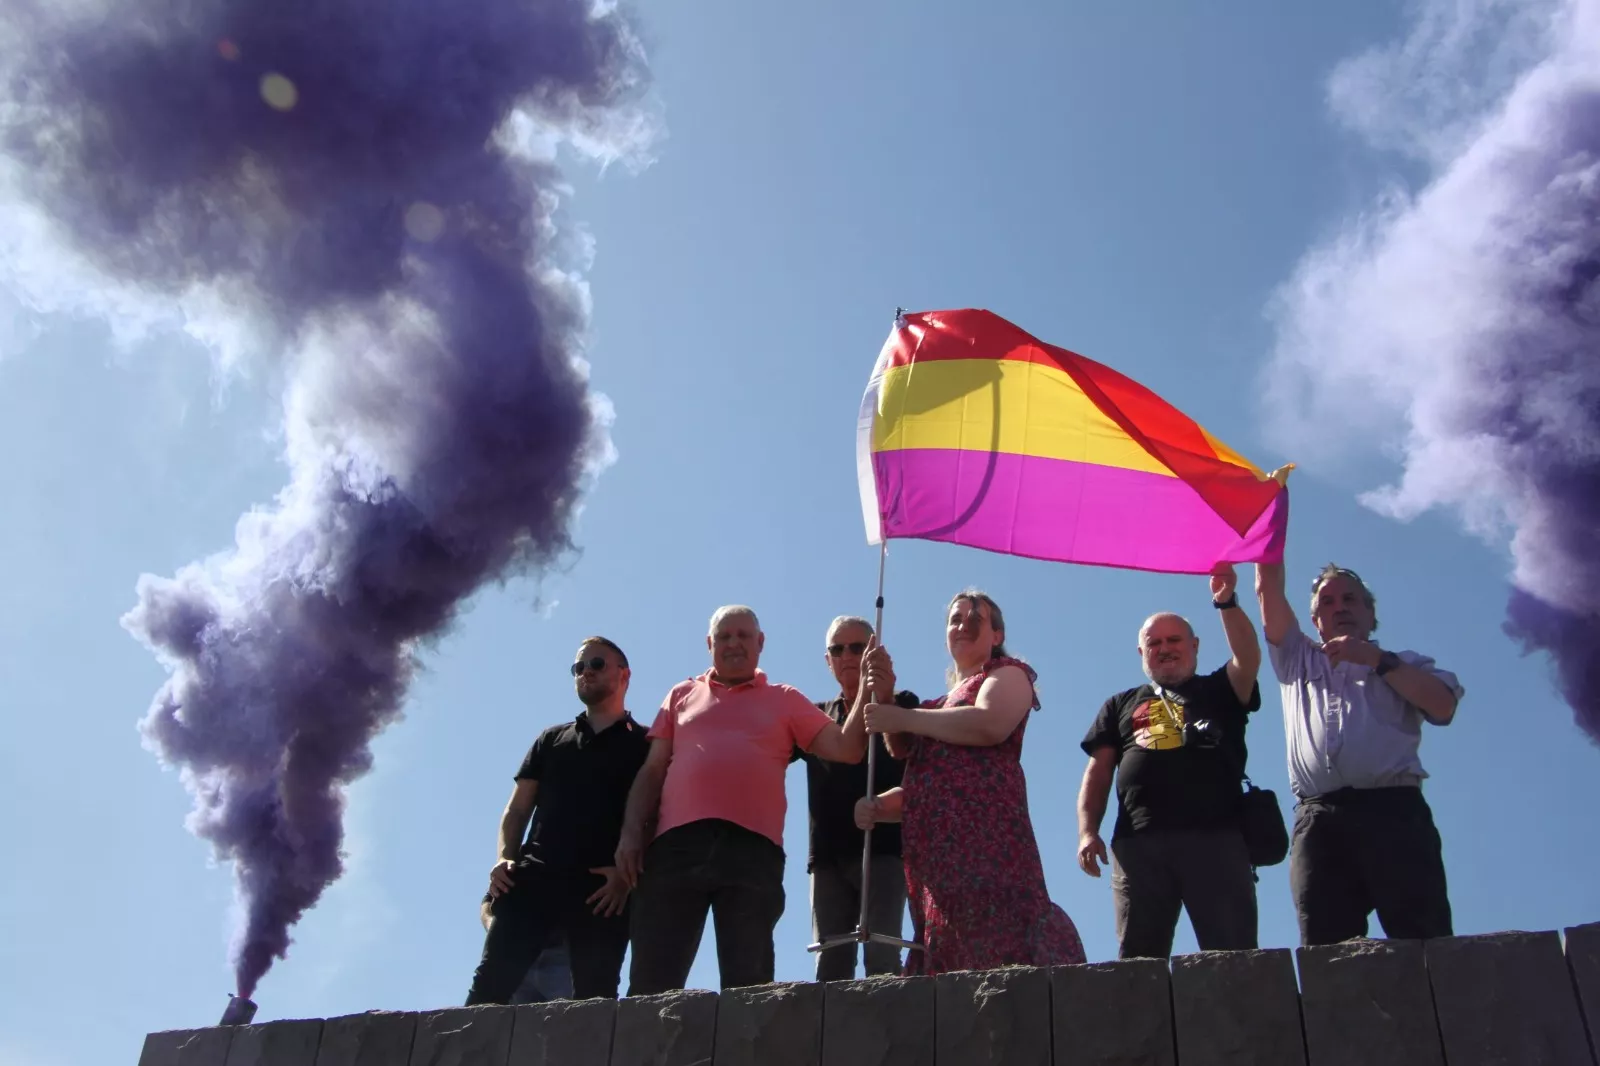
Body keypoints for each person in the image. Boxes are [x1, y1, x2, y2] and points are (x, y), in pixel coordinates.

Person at [616, 605, 881, 994]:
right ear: (709, 644)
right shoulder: (681, 694)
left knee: (748, 984)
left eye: (742, 635)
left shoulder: (785, 699)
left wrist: (868, 687)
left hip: (753, 851)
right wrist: (629, 834)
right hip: (675, 847)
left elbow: (847, 748)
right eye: (724, 636)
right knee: (652, 977)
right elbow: (653, 770)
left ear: (760, 643)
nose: (733, 644)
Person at [855, 589, 1085, 975]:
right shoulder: (934, 708)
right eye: (955, 619)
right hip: (938, 876)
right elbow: (923, 785)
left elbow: (989, 723)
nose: (962, 625)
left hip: (990, 855)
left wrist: (902, 716)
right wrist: (879, 806)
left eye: (974, 618)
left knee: (1000, 955)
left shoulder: (1009, 673)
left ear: (997, 635)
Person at [1256, 558, 1464, 946]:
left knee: (1425, 942)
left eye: (1350, 599)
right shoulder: (1297, 658)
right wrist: (1264, 531)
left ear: (1370, 614)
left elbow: (1442, 706)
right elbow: (1268, 586)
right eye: (1328, 602)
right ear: (1316, 620)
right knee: (1326, 950)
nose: (1340, 608)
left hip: (1394, 812)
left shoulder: (1406, 663)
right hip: (1319, 818)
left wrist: (1375, 660)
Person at [1076, 564, 1263, 959]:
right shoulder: (1120, 704)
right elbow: (1098, 772)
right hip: (1138, 846)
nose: (1164, 648)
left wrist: (1226, 602)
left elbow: (1248, 657)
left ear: (1195, 645)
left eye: (1174, 639)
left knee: (1236, 962)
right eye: (1154, 642)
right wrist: (1087, 831)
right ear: (1141, 653)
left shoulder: (1221, 688)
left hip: (1217, 841)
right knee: (1138, 967)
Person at [463, 637, 649, 1004]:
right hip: (535, 878)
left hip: (602, 891)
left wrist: (626, 877)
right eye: (578, 667)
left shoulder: (645, 744)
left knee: (594, 1002)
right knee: (488, 990)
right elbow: (517, 810)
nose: (585, 673)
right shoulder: (551, 739)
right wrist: (504, 857)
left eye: (596, 664)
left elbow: (654, 817)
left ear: (624, 675)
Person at [794, 615, 918, 981]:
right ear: (827, 659)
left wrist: (883, 694)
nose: (847, 656)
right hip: (828, 857)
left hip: (884, 850)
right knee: (830, 966)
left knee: (883, 959)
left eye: (857, 648)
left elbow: (911, 754)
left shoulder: (903, 703)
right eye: (837, 649)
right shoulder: (815, 716)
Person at [477, 899, 572, 1003]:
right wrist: (494, 927)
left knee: (572, 1011)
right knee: (495, 1011)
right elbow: (488, 900)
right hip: (516, 959)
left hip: (559, 956)